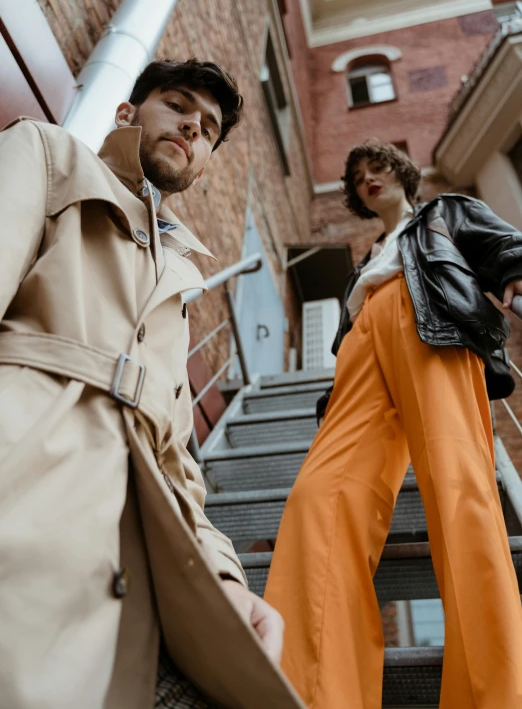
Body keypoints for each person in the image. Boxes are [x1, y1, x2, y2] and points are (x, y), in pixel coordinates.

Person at [0, 59, 293, 709]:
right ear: (128, 113)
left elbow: (176, 457)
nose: (194, 124)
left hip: (121, 565)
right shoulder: (46, 155)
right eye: (178, 104)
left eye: (210, 127)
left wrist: (224, 576)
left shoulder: (182, 279)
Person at [264, 140, 522, 709]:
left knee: (460, 494)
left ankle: (490, 696)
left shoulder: (442, 215)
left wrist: (514, 273)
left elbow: (507, 246)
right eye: (356, 178)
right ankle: (318, 693)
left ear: (402, 172)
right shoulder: (366, 262)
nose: (367, 179)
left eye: (376, 167)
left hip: (430, 331)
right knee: (317, 500)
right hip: (358, 361)